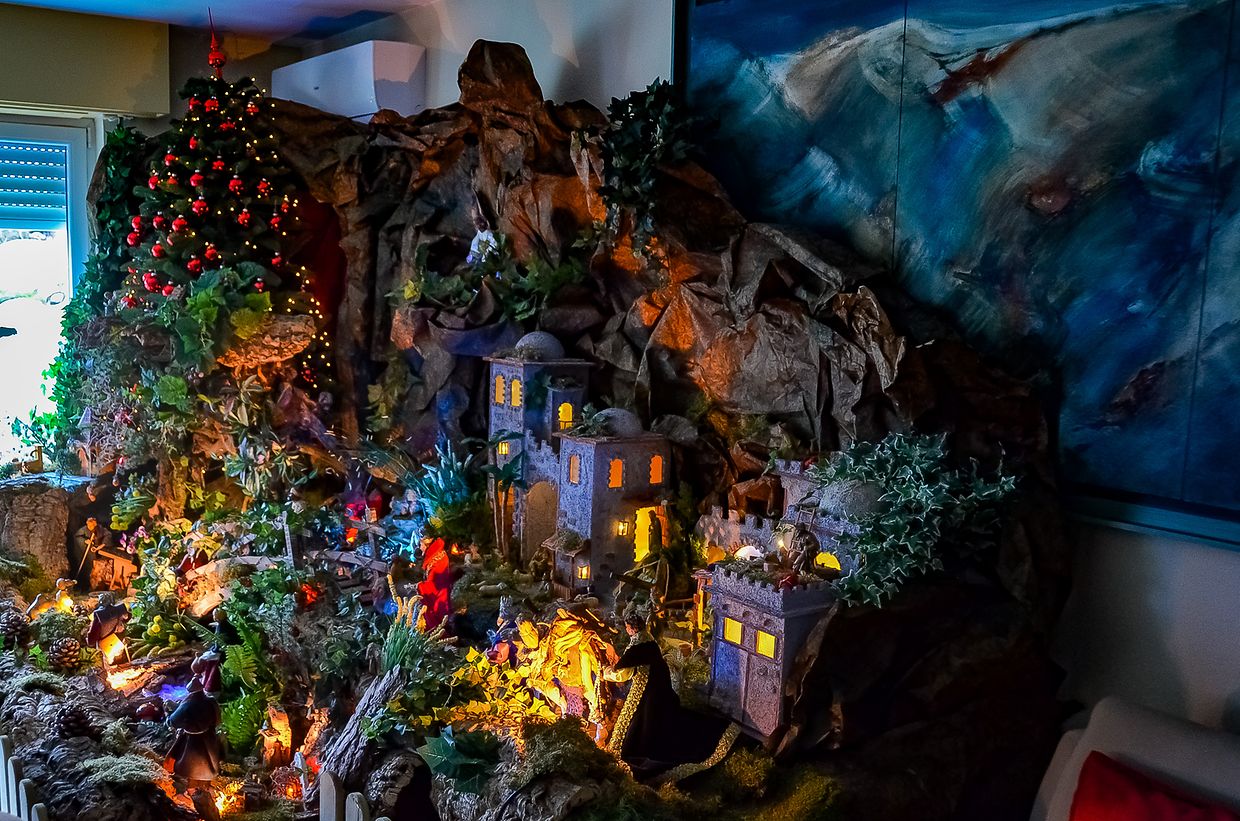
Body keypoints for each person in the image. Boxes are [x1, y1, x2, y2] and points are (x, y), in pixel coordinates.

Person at [605, 613, 739, 782]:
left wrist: (607, 673)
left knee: (645, 720)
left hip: (648, 689)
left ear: (631, 628)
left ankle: (645, 746)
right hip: (659, 683)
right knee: (660, 714)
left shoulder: (637, 645)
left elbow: (623, 671)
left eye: (627, 627)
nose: (626, 630)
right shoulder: (648, 639)